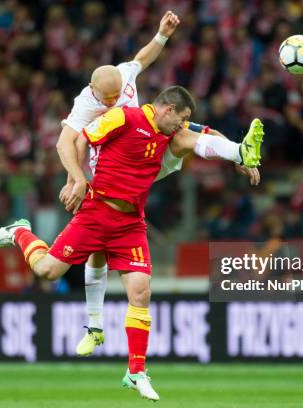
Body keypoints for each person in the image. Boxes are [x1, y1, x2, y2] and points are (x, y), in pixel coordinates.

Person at [0, 86, 264, 400]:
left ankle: (136, 371)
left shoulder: (173, 131)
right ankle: (19, 232)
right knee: (47, 271)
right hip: (96, 211)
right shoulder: (123, 118)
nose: (182, 124)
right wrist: (76, 178)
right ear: (167, 109)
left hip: (130, 222)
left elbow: (205, 134)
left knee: (141, 291)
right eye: (181, 117)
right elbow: (79, 140)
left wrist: (237, 156)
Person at [55, 10, 259, 358]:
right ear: (94, 92)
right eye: (107, 100)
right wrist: (77, 179)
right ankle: (95, 326)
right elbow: (66, 142)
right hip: (111, 169)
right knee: (98, 248)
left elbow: (142, 58)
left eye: (116, 97)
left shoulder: (124, 76)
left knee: (185, 133)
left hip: (146, 151)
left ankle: (239, 152)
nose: (112, 102)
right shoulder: (85, 102)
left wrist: (162, 35)